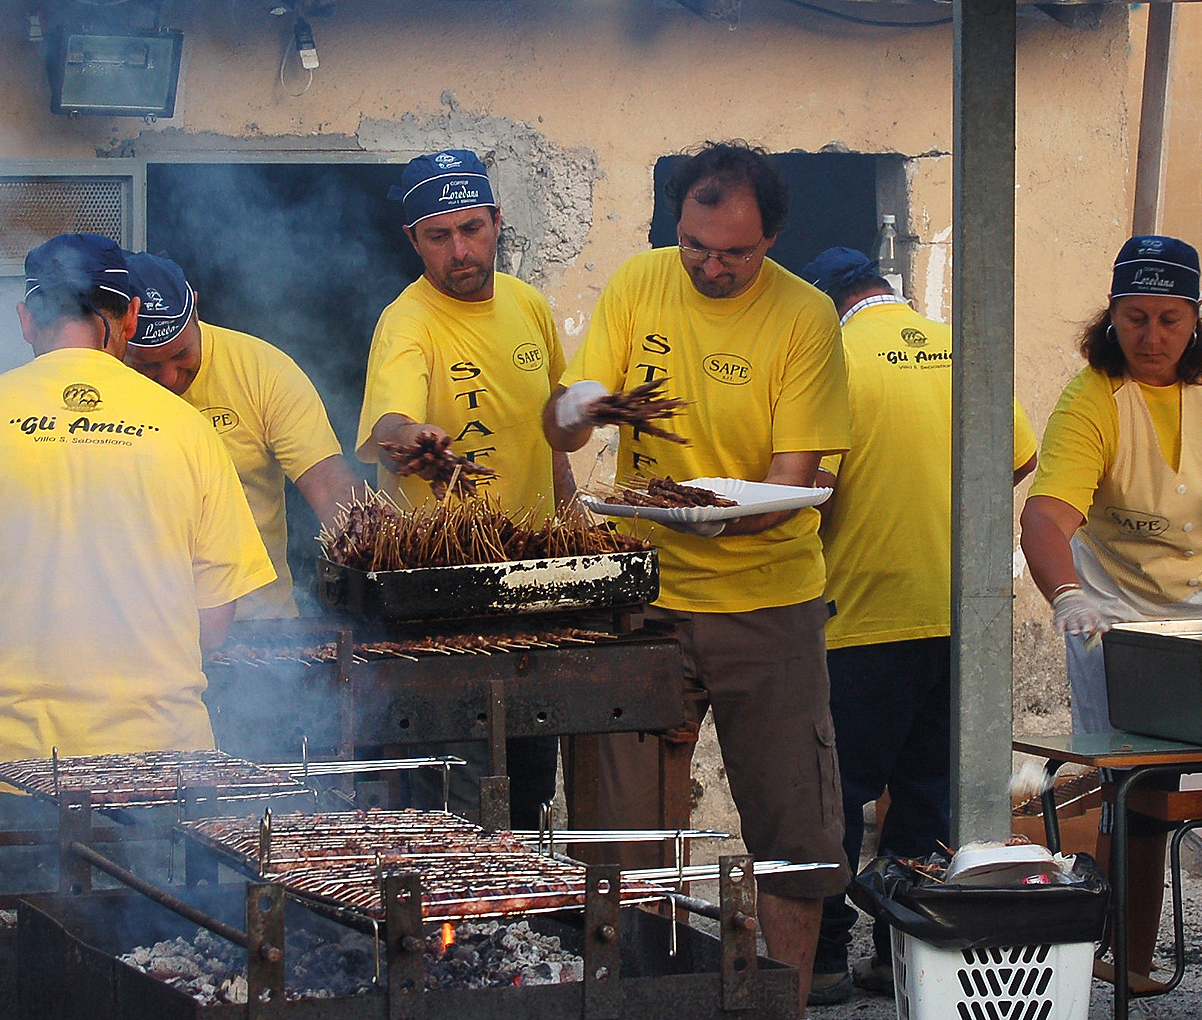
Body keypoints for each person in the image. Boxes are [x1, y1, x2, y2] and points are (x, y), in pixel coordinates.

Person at [543, 141, 852, 1010]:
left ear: (774, 238)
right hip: (644, 594)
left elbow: (792, 487)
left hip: (771, 601)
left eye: (737, 252)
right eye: (697, 246)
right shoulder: (640, 283)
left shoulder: (806, 317)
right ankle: (642, 1000)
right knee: (620, 836)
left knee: (795, 831)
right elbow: (564, 425)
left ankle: (780, 1004)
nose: (713, 267)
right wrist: (583, 406)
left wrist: (712, 511)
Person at [0, 233, 274, 830]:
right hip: (159, 768)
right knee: (162, 926)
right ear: (132, 316)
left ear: (24, 320)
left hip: (1, 772)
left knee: (10, 922)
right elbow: (215, 617)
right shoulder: (187, 430)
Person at [1019, 234, 1202, 977]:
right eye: (1134, 318)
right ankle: (1129, 956)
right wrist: (1066, 595)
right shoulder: (1091, 400)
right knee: (1138, 786)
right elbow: (1045, 517)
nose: (1151, 337)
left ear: (1196, 320)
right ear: (1111, 317)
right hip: (1121, 614)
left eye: (1168, 319)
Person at [799, 246, 1038, 1005]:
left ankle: (828, 960)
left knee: (836, 797)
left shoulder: (832, 359)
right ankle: (902, 957)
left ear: (824, 304)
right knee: (929, 798)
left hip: (864, 615)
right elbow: (1017, 458)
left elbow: (813, 492)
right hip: (961, 615)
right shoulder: (960, 349)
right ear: (884, 289)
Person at [358, 149, 572, 828]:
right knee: (458, 782)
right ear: (412, 241)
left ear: (498, 222)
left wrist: (573, 528)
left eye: (472, 228)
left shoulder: (529, 306)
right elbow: (391, 424)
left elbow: (551, 434)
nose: (460, 250)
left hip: (534, 582)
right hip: (446, 592)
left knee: (533, 768)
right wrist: (415, 440)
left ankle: (524, 920)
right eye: (439, 236)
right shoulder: (408, 320)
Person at [124, 252, 358, 619]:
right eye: (147, 365)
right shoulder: (102, 386)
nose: (170, 379)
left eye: (182, 355)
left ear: (196, 310)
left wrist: (370, 550)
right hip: (146, 627)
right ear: (120, 332)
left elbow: (331, 489)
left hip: (263, 627)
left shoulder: (263, 371)